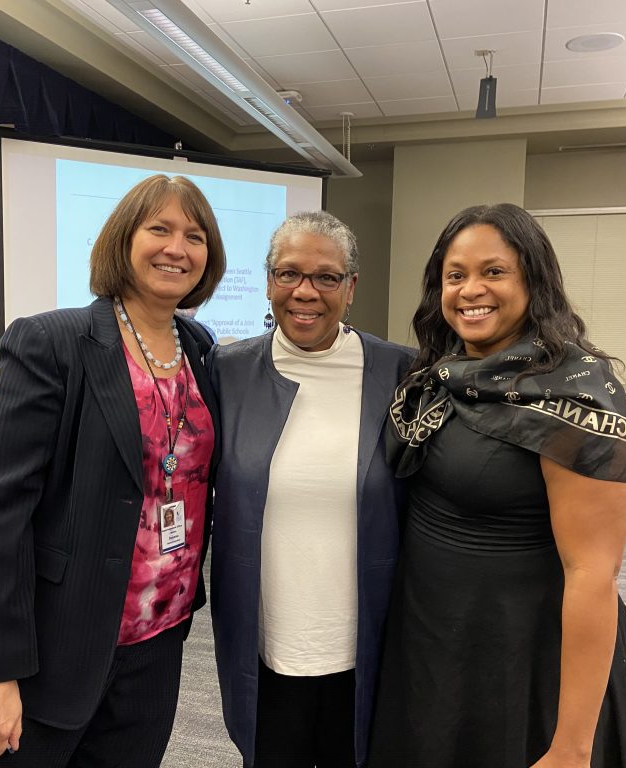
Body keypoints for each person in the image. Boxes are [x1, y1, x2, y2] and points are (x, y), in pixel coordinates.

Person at [0, 174, 226, 767]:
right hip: (49, 645)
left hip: (154, 644)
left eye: (194, 236)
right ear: (124, 239)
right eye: (160, 229)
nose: (178, 248)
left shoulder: (198, 347)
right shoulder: (51, 342)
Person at [368, 203, 626, 768]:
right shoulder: (439, 375)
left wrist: (571, 747)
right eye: (456, 275)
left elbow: (593, 576)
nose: (471, 289)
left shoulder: (573, 394)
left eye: (494, 272)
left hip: (524, 657)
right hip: (433, 641)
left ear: (534, 281)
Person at [209, 211, 414, 768]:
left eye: (326, 277)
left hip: (366, 639)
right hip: (266, 640)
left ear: (351, 288)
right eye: (289, 273)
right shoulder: (226, 371)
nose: (306, 291)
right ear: (269, 280)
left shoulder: (400, 372)